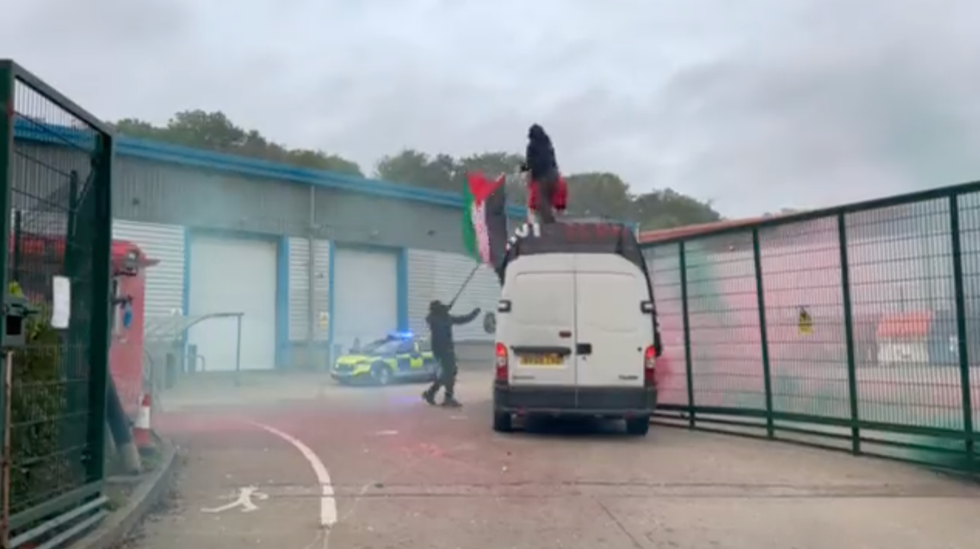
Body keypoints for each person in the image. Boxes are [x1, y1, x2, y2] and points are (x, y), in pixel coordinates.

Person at [421, 300, 481, 407]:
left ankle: (433, 393)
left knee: (449, 372)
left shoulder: (442, 317)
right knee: (450, 372)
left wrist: (473, 314)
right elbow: (442, 323)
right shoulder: (435, 319)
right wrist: (445, 311)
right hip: (443, 349)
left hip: (444, 349)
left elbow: (461, 319)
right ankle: (445, 397)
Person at [522, 123, 567, 223]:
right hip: (554, 175)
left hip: (542, 177)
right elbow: (553, 161)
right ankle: (554, 222)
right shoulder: (548, 144)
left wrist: (528, 174)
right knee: (550, 201)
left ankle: (549, 226)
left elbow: (530, 163)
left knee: (542, 202)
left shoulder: (532, 146)